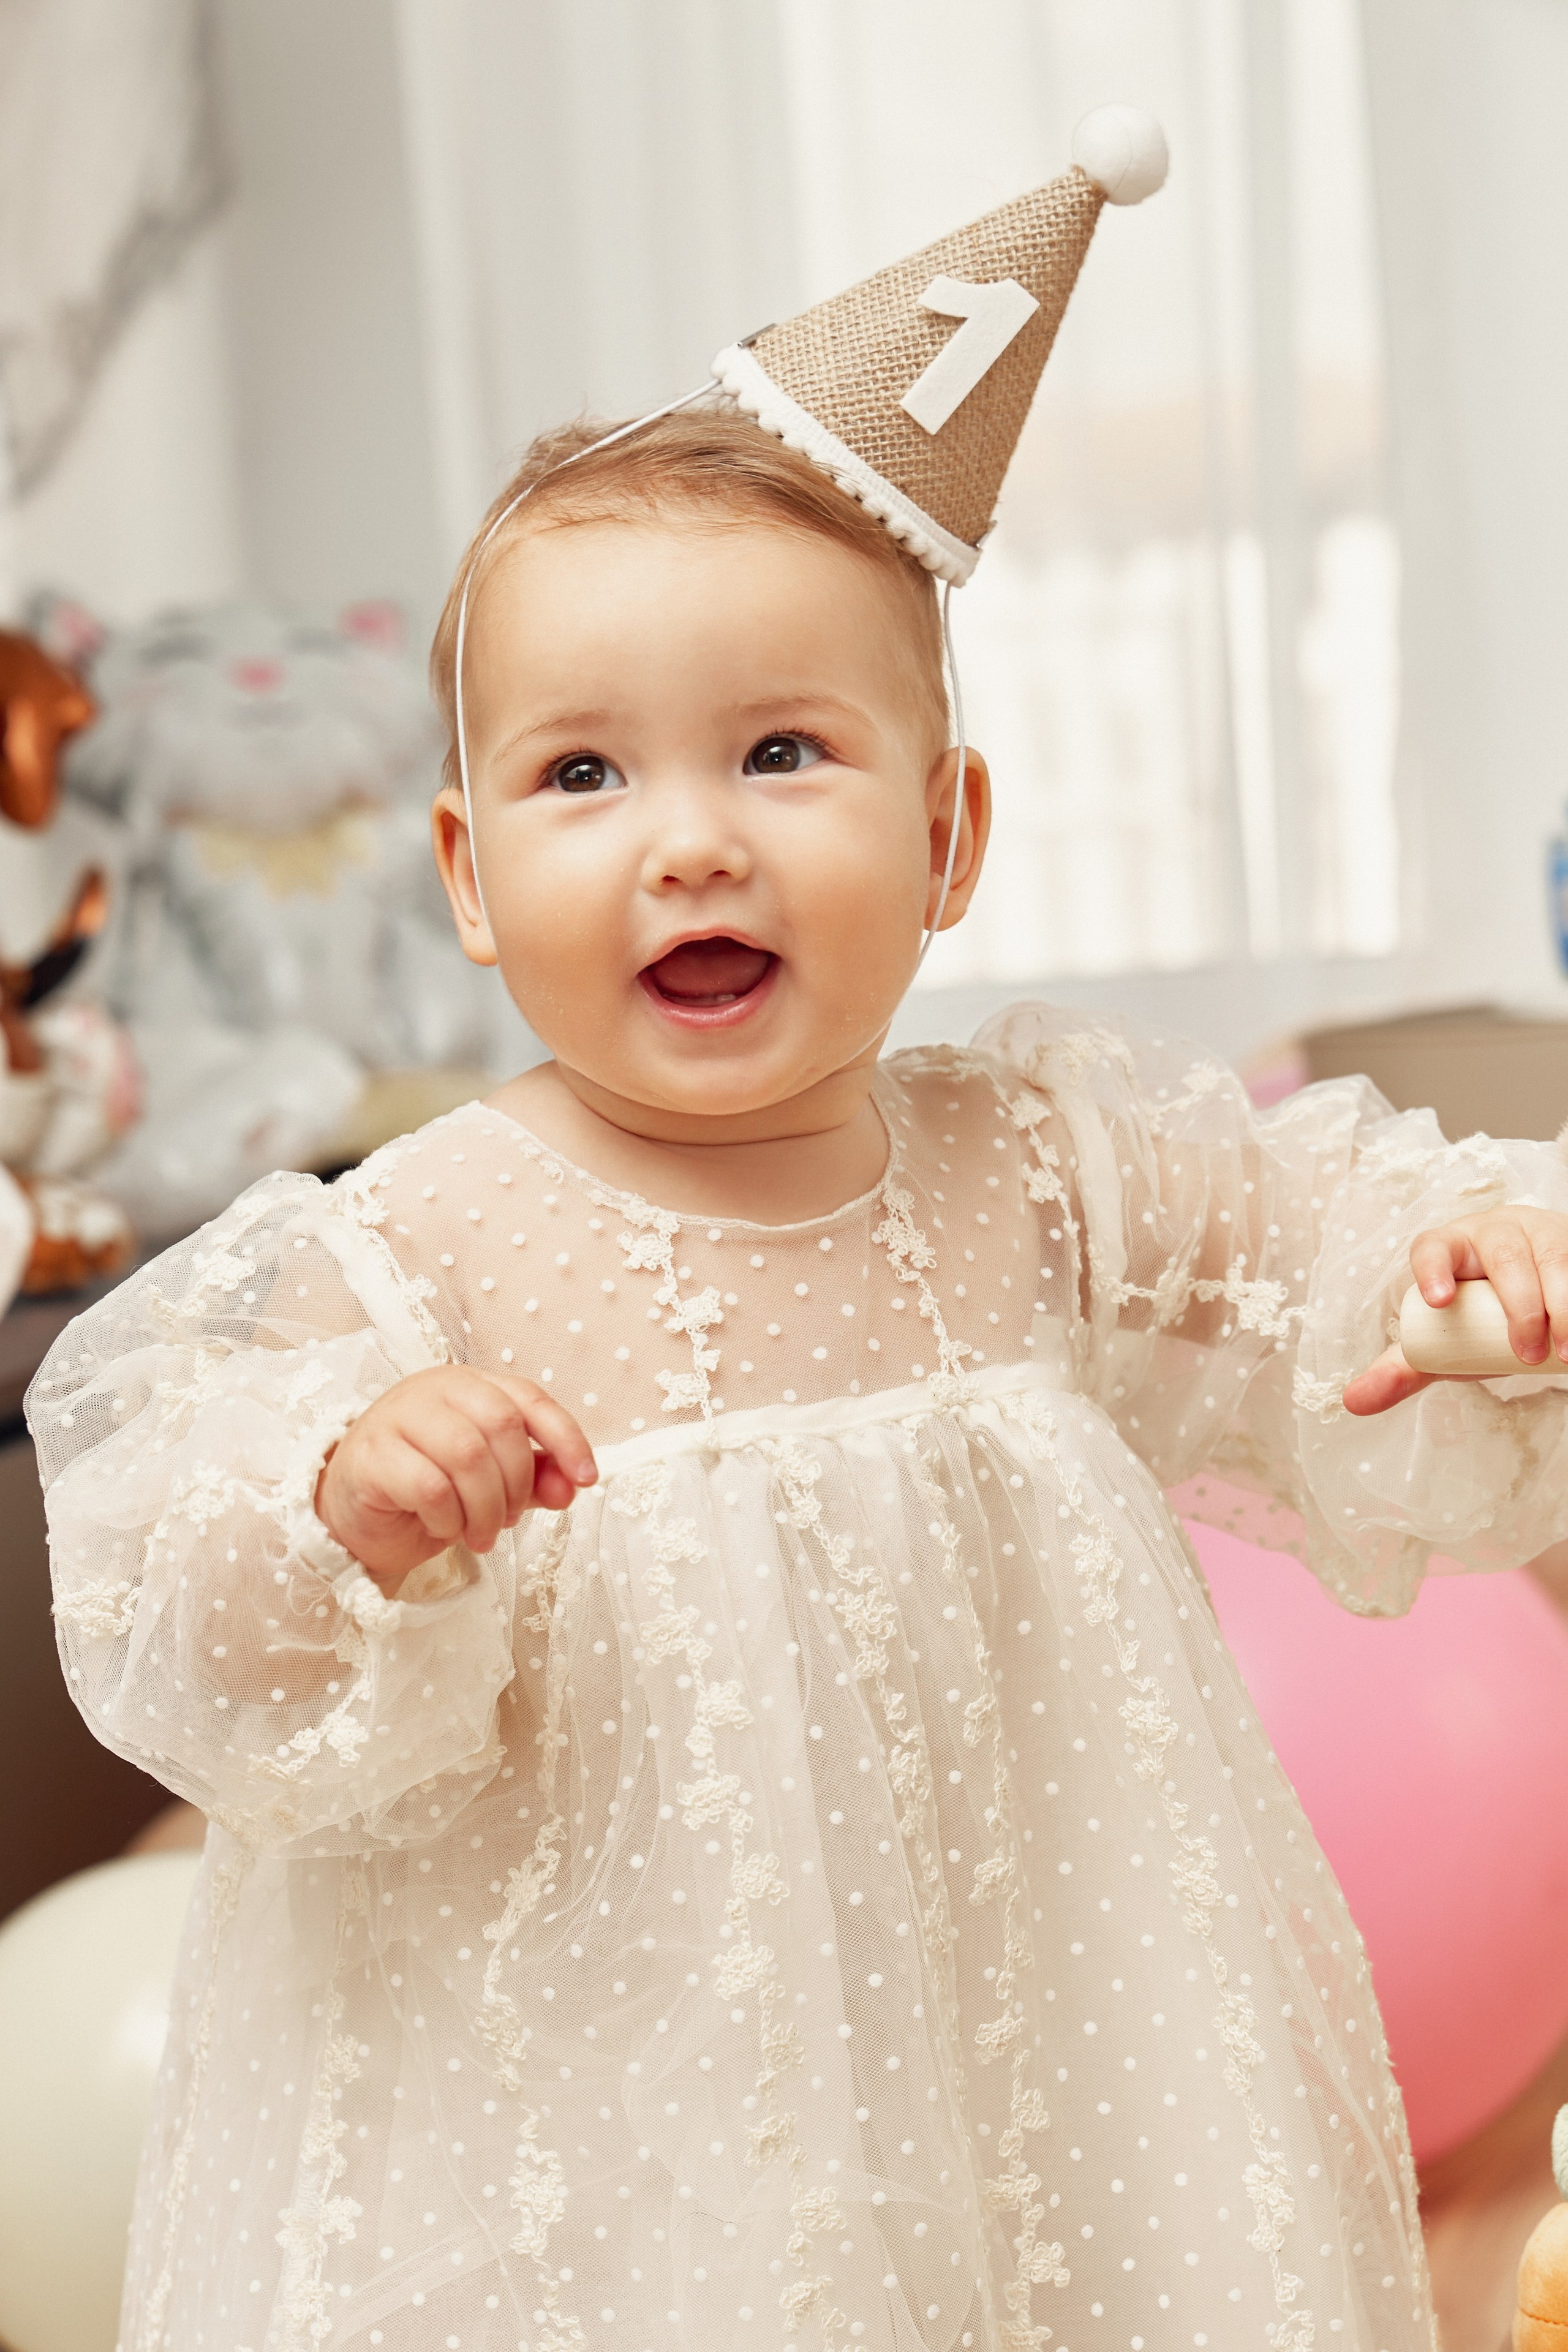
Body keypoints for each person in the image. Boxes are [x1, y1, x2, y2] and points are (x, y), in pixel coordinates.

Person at [29, 112, 1568, 2352]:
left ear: (948, 831)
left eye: (781, 755)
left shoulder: (1041, 1161)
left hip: (1040, 2048)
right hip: (610, 2113)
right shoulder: (414, 1246)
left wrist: (1465, 1264)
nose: (690, 847)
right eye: (584, 776)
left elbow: (1311, 1242)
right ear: (463, 874)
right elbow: (193, 1578)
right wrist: (351, 1508)